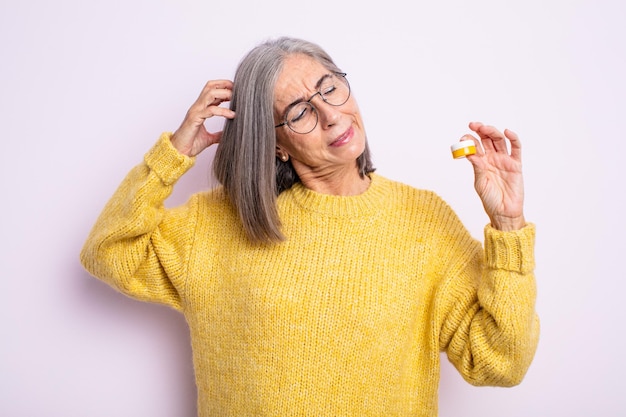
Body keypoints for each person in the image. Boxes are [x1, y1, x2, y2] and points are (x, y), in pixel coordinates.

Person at [80, 36, 539, 416]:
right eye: (299, 112)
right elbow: (109, 251)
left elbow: (500, 362)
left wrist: (508, 223)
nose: (331, 115)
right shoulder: (216, 223)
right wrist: (174, 153)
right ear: (276, 143)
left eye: (330, 88)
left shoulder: (424, 220)